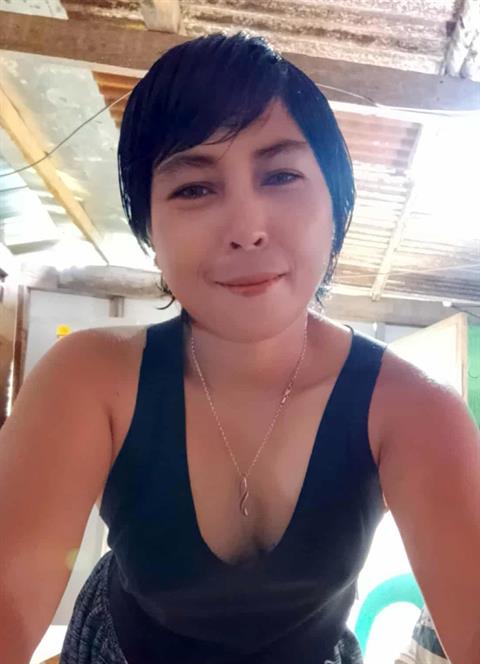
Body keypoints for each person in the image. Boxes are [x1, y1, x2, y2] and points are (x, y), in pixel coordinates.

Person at [0, 31, 479, 664]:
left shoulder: (415, 411)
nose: (247, 229)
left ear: (336, 205)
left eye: (280, 175)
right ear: (150, 231)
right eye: (194, 189)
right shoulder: (90, 380)